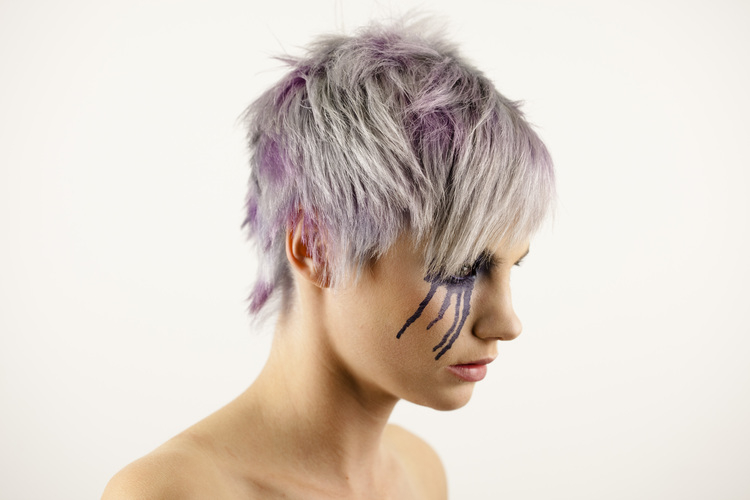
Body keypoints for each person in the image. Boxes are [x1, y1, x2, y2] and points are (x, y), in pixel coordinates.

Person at [102, 18, 555, 500]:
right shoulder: (173, 492)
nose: (507, 324)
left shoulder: (420, 472)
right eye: (461, 268)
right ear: (316, 248)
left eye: (513, 266)